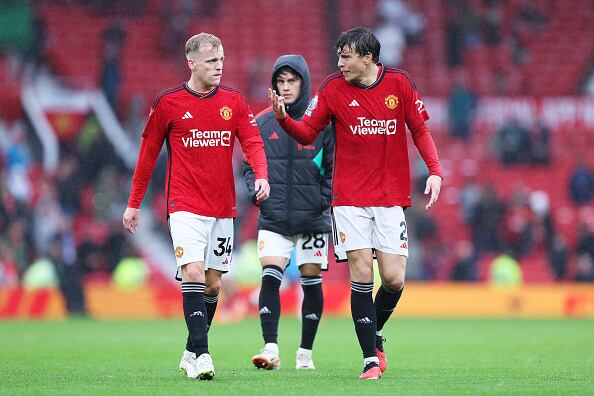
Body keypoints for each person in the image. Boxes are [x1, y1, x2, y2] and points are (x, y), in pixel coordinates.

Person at [268, 27, 442, 380]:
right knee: (362, 274)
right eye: (338, 55)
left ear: (367, 57)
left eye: (346, 56)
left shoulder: (399, 84)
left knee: (393, 278)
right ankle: (369, 360)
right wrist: (285, 119)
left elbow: (420, 129)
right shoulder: (332, 88)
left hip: (391, 197)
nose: (339, 63)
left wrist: (435, 170)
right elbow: (307, 132)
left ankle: (374, 332)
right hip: (348, 199)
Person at [122, 32, 269, 381]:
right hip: (184, 205)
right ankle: (203, 355)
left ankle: (191, 349)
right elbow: (147, 156)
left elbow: (252, 142)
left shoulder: (233, 102)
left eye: (221, 61)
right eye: (210, 62)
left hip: (223, 209)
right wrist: (134, 203)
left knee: (214, 285)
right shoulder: (169, 103)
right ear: (191, 63)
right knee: (193, 273)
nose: (218, 67)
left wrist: (261, 175)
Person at [243, 55, 334, 371]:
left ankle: (305, 353)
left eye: (291, 81)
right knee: (270, 277)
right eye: (280, 82)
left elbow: (335, 167)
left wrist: (323, 200)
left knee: (311, 281)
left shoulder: (322, 122)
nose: (285, 87)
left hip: (313, 218)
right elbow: (249, 166)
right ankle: (270, 348)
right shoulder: (262, 121)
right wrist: (256, 190)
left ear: (304, 82)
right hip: (275, 216)